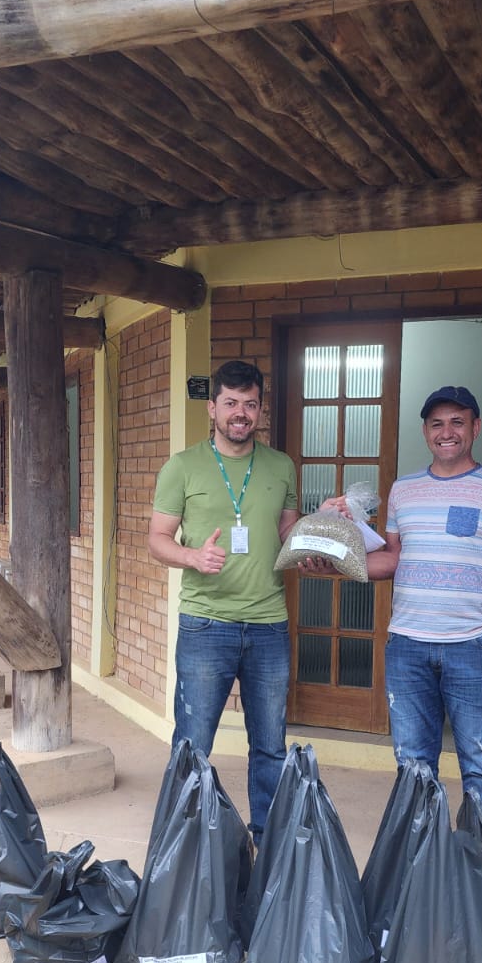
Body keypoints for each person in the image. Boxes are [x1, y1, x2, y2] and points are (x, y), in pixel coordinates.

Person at [359, 385, 482, 851]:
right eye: (437, 424)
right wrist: (338, 564)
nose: (447, 432)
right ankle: (416, 863)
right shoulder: (404, 490)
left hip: (475, 646)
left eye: (457, 422)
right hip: (407, 646)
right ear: (426, 431)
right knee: (412, 764)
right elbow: (392, 558)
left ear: (476, 427)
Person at [148, 360, 299, 843]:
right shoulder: (182, 466)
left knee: (271, 747)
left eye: (250, 404)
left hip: (269, 624)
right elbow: (156, 539)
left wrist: (327, 527)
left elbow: (288, 534)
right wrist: (192, 555)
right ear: (212, 407)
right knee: (192, 742)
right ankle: (181, 843)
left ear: (260, 409)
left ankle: (270, 845)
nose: (241, 413)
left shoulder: (280, 466)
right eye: (231, 403)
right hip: (206, 625)